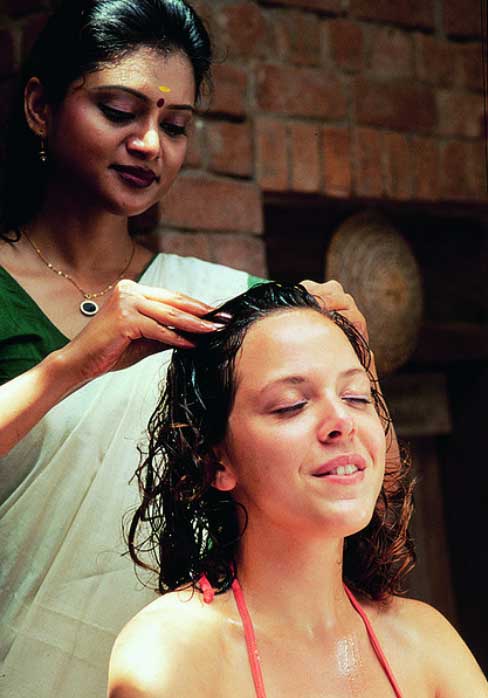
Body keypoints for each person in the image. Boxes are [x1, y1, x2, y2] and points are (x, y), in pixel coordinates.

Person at [0, 2, 368, 696]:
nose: (150, 144)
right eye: (118, 110)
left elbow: (341, 480)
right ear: (41, 108)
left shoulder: (217, 302)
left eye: (174, 126)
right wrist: (74, 364)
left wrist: (351, 366)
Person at [109, 282, 488, 698]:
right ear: (215, 462)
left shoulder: (425, 641)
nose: (341, 420)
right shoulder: (173, 653)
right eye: (291, 404)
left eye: (357, 396)